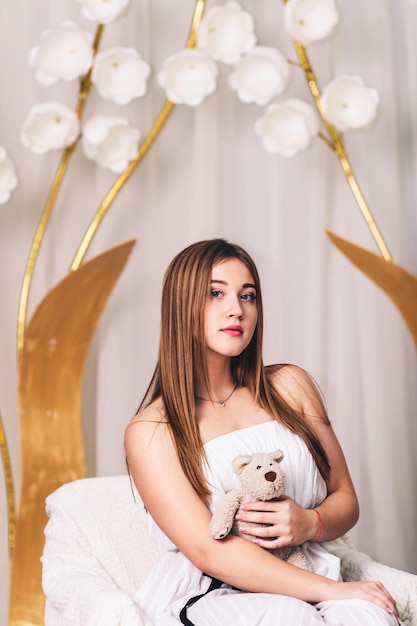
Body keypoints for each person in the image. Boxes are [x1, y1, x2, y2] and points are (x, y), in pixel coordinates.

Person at [124, 238, 401, 626]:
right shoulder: (153, 430)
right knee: (287, 617)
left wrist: (310, 523)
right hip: (213, 592)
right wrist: (334, 592)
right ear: (179, 306)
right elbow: (210, 552)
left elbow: (346, 498)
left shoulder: (291, 387)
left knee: (371, 616)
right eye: (215, 293)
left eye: (248, 295)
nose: (236, 309)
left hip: (310, 566)